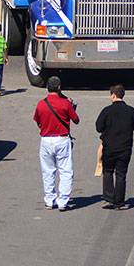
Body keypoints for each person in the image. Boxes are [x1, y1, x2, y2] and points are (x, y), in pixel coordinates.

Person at [95, 85, 134, 210]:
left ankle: (109, 199)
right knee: (121, 174)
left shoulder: (107, 110)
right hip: (125, 148)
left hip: (109, 147)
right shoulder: (131, 110)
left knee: (108, 171)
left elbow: (98, 127)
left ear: (113, 95)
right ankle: (119, 202)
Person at [34, 76, 79, 211]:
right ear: (59, 88)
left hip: (46, 139)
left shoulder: (41, 104)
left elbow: (38, 121)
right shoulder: (65, 103)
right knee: (65, 171)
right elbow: (76, 120)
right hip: (62, 139)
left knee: (48, 171)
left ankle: (49, 199)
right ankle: (63, 201)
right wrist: (72, 107)